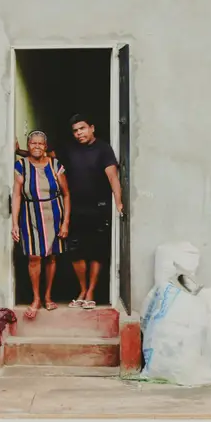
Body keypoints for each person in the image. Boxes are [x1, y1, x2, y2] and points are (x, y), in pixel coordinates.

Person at [65, 113, 123, 308]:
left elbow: (113, 177)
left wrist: (119, 202)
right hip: (75, 208)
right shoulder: (70, 149)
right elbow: (47, 156)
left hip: (98, 207)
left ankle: (91, 292)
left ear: (92, 128)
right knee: (76, 251)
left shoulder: (104, 149)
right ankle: (82, 289)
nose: (79, 133)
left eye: (82, 128)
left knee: (96, 251)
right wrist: (20, 151)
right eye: (75, 131)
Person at [11, 130, 70, 320]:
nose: (36, 147)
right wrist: (14, 223)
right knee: (34, 257)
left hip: (54, 213)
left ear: (46, 147)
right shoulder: (21, 166)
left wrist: (65, 222)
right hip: (30, 215)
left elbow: (67, 195)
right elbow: (17, 195)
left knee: (51, 257)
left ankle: (48, 296)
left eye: (40, 144)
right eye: (33, 143)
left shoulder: (55, 165)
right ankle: (36, 298)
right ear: (28, 147)